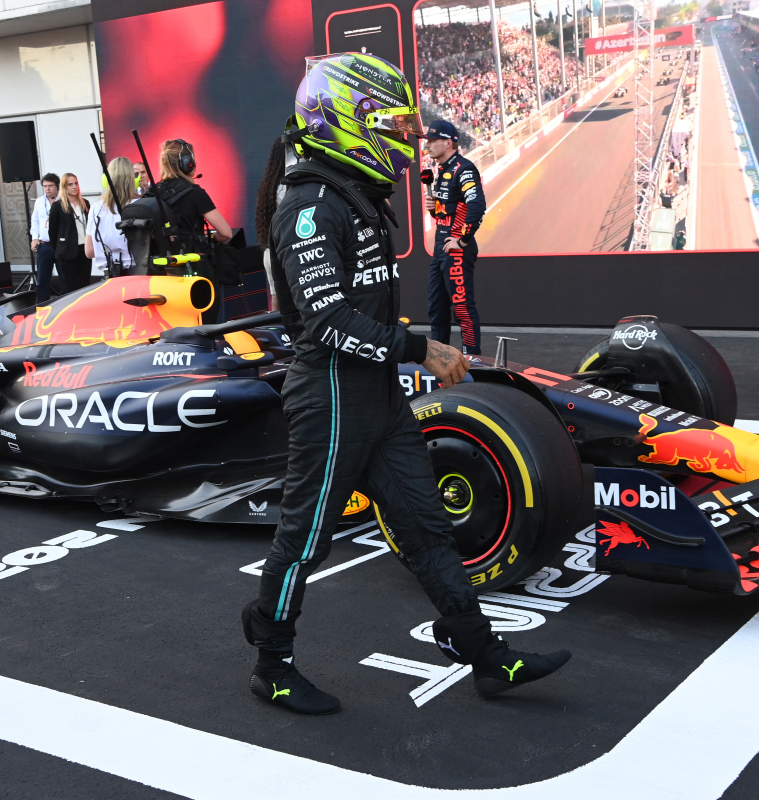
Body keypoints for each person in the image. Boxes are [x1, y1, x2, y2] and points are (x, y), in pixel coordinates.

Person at [243, 53, 570, 715]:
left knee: (425, 527)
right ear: (345, 120)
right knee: (305, 539)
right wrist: (419, 346)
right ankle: (271, 666)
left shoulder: (346, 192)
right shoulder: (307, 205)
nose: (399, 138)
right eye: (385, 123)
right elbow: (327, 322)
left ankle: (486, 656)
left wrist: (405, 350)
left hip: (376, 395)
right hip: (331, 395)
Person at [141, 139, 233, 317]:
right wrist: (210, 239)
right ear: (187, 163)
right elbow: (226, 232)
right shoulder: (195, 193)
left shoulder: (151, 194)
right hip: (194, 268)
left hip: (160, 274)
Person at [423, 119, 486, 356]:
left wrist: (462, 240)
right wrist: (433, 208)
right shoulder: (441, 170)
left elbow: (477, 206)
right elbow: (448, 209)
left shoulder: (464, 168)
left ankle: (473, 360)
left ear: (448, 143)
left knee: (462, 309)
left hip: (456, 247)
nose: (427, 146)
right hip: (441, 246)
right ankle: (442, 361)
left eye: (432, 141)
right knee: (436, 309)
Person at [254, 136, 294, 309]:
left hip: (272, 252)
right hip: (290, 251)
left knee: (277, 301)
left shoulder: (270, 186)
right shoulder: (290, 187)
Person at [84, 157, 136, 278]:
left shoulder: (96, 208)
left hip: (109, 276)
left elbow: (89, 252)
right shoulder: (140, 206)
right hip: (137, 275)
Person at [48, 172, 91, 294]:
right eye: (70, 184)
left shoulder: (85, 203)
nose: (74, 187)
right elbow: (53, 231)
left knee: (85, 284)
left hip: (84, 250)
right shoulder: (58, 206)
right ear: (64, 187)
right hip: (67, 251)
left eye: (76, 183)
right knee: (70, 286)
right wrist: (59, 251)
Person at [30, 173, 62, 303]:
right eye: (45, 186)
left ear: (57, 186)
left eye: (50, 186)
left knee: (64, 277)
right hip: (44, 244)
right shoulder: (39, 201)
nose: (47, 188)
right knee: (42, 279)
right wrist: (34, 238)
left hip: (60, 245)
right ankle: (42, 307)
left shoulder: (63, 200)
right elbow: (35, 221)